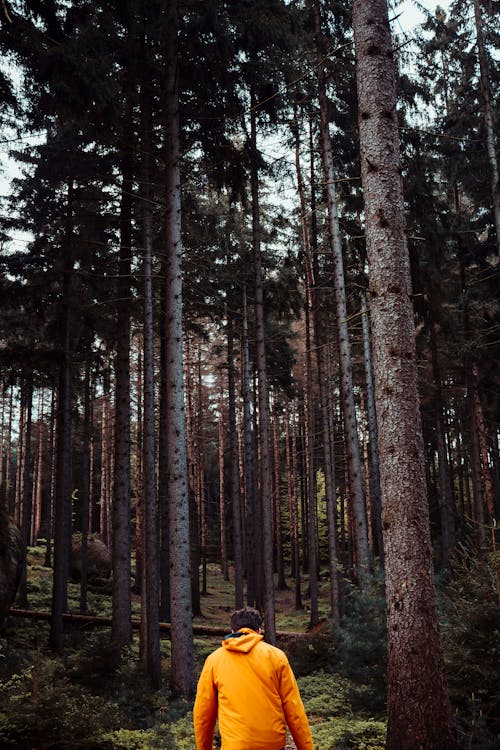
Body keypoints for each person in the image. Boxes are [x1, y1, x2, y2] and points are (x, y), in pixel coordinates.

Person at [193, 606, 314, 750]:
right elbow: (294, 710)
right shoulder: (276, 657)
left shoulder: (214, 660)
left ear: (233, 631)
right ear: (259, 631)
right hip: (272, 745)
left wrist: (204, 748)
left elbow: (203, 713)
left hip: (235, 745)